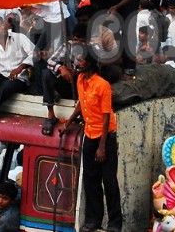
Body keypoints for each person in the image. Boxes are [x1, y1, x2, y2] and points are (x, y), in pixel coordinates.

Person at [59, 53, 121, 232]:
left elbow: (106, 116)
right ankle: (94, 219)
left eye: (81, 60)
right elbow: (81, 104)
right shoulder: (79, 79)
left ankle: (115, 223)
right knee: (90, 180)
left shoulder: (102, 85)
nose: (78, 63)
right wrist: (68, 123)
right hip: (89, 134)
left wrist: (102, 147)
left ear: (90, 63)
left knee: (109, 182)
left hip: (105, 137)